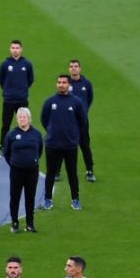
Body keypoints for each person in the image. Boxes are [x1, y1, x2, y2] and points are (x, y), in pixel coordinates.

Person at [41, 75, 86, 211]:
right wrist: (52, 132)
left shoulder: (76, 103)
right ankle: (48, 199)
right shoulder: (50, 102)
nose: (61, 85)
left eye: (64, 83)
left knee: (72, 173)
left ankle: (75, 200)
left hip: (70, 145)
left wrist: (73, 134)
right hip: (52, 144)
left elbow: (82, 121)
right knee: (50, 173)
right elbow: (44, 119)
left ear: (69, 84)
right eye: (59, 82)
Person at [2, 107, 44, 234]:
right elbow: (6, 152)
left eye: (24, 117)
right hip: (16, 170)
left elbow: (40, 150)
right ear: (17, 119)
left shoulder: (36, 134)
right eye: (20, 117)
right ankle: (15, 222)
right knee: (15, 196)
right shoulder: (12, 135)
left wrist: (33, 160)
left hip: (32, 170)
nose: (22, 119)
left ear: (29, 119)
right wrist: (14, 163)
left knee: (30, 197)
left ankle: (30, 223)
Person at [0, 39, 35, 140]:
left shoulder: (27, 64)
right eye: (13, 48)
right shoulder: (5, 64)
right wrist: (7, 90)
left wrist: (22, 89)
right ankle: (3, 145)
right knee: (6, 124)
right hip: (9, 99)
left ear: (21, 49)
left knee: (24, 123)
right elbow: (1, 79)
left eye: (17, 48)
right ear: (10, 49)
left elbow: (30, 79)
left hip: (22, 99)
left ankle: (24, 141)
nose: (15, 50)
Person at [67, 59, 97, 182]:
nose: (74, 68)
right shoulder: (66, 83)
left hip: (82, 121)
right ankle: (58, 171)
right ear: (69, 69)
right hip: (68, 121)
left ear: (80, 68)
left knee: (85, 145)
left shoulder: (86, 83)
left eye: (76, 66)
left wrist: (83, 112)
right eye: (71, 66)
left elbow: (89, 99)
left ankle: (89, 170)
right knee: (65, 146)